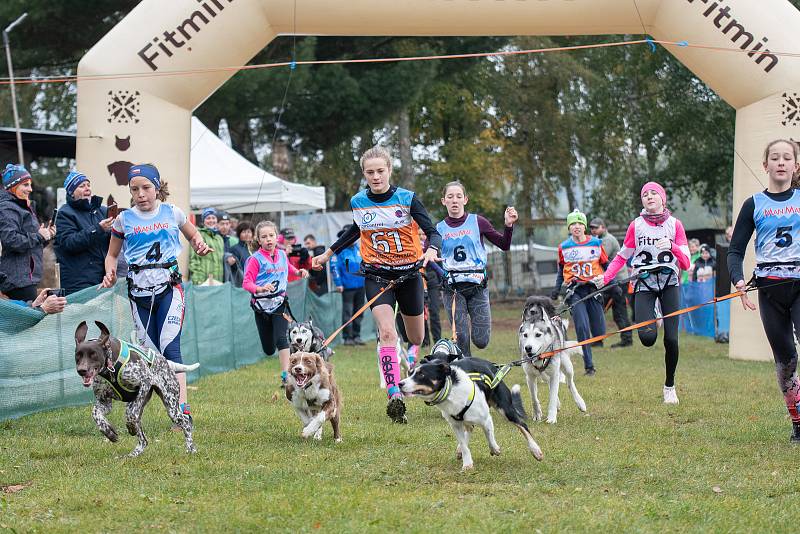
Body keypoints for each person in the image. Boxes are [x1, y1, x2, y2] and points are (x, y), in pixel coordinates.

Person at [312, 146, 441, 423]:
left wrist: (431, 250)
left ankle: (412, 356)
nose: (376, 176)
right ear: (364, 174)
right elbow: (356, 230)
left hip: (408, 275)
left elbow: (432, 231)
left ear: (389, 170)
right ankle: (394, 393)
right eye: (370, 172)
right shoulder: (358, 201)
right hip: (377, 276)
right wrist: (327, 254)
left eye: (380, 171)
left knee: (416, 337)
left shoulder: (407, 198)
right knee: (386, 332)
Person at [101, 163, 212, 424]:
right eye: (135, 189)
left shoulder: (172, 213)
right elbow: (112, 255)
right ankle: (164, 404)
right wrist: (109, 272)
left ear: (157, 187)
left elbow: (194, 235)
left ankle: (182, 409)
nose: (141, 194)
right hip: (138, 293)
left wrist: (199, 244)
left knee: (170, 348)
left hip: (169, 289)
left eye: (146, 188)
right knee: (152, 356)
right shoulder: (123, 219)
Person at [728, 139, 800, 442]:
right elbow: (735, 251)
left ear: (796, 166)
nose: (780, 162)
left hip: (799, 286)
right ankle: (798, 420)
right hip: (769, 292)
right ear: (765, 165)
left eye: (787, 158)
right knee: (786, 361)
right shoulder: (754, 204)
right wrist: (739, 281)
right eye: (775, 157)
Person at [601, 182, 690, 404]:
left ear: (663, 199)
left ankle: (669, 386)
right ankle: (654, 316)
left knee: (671, 339)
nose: (649, 197)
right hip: (644, 284)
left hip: (669, 283)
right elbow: (622, 256)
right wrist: (603, 279)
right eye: (645, 194)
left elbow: (686, 263)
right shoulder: (636, 226)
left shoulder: (675, 225)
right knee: (648, 339)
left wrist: (672, 246)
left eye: (654, 193)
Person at [437, 181, 516, 356]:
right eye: (450, 197)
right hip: (452, 290)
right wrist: (441, 274)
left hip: (478, 287)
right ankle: (466, 374)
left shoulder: (478, 222)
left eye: (458, 196)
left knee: (481, 341)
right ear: (444, 201)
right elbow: (428, 255)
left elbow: (504, 245)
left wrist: (508, 226)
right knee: (461, 337)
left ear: (465, 199)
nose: (454, 200)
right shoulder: (439, 229)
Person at [243, 220, 308, 387]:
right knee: (269, 349)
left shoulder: (282, 254)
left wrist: (298, 272)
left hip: (279, 303)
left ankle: (287, 377)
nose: (268, 240)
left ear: (276, 237)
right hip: (261, 308)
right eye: (264, 237)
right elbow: (246, 283)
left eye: (271, 235)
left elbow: (287, 267)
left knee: (281, 338)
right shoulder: (254, 260)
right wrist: (260, 288)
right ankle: (276, 355)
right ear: (258, 239)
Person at [551, 209, 607, 376]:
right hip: (575, 291)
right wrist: (556, 288)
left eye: (579, 223)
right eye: (573, 224)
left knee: (599, 332)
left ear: (584, 226)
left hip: (593, 289)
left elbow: (607, 264)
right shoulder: (564, 247)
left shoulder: (596, 243)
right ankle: (589, 366)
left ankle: (595, 342)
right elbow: (561, 270)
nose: (576, 227)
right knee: (582, 327)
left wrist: (612, 283)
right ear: (569, 228)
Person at [0, 164, 54, 301]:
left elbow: (32, 244)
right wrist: (38, 235)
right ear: (13, 186)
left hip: (26, 279)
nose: (30, 189)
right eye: (25, 185)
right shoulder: (7, 208)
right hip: (18, 281)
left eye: (30, 185)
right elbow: (11, 240)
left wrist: (46, 236)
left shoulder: (23, 206)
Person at [54, 171, 114, 295]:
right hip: (78, 282)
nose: (87, 188)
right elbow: (69, 243)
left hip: (103, 278)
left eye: (88, 185)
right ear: (71, 192)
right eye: (81, 186)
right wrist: (98, 229)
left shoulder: (102, 210)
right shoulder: (64, 213)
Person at [589, 217, 632, 348]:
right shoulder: (599, 240)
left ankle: (626, 340)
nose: (593, 230)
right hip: (610, 281)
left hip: (617, 281)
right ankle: (598, 340)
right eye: (591, 228)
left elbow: (599, 259)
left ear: (603, 227)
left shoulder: (607, 240)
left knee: (619, 312)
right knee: (599, 309)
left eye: (596, 227)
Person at [330, 225, 366, 346]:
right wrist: (338, 283)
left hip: (361, 286)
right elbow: (334, 268)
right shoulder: (338, 251)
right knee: (348, 312)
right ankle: (347, 338)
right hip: (347, 287)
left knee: (359, 312)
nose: (352, 238)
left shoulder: (358, 249)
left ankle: (357, 336)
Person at [418, 226, 443, 346]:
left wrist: (442, 283)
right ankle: (425, 341)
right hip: (418, 283)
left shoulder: (433, 249)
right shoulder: (413, 248)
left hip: (433, 283)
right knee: (421, 313)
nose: (421, 237)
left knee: (434, 312)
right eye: (419, 235)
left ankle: (437, 340)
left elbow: (440, 267)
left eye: (423, 234)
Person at [189, 207, 225, 285]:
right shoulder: (199, 236)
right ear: (203, 221)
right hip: (203, 281)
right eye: (208, 218)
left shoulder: (219, 238)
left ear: (217, 220)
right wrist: (197, 280)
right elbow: (194, 260)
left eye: (213, 218)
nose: (211, 220)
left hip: (218, 280)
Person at [230, 221, 254, 287]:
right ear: (239, 234)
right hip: (241, 283)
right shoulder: (234, 249)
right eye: (243, 232)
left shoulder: (254, 249)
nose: (247, 234)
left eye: (249, 232)